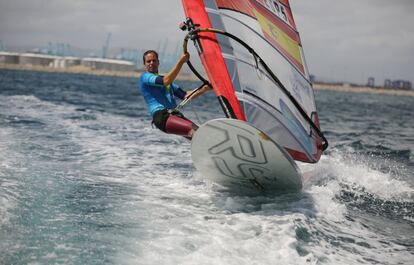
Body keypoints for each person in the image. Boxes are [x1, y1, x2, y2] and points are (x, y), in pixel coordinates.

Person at [139, 50, 211, 140]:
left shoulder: (167, 82)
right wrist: (181, 62)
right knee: (196, 132)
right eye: (148, 61)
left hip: (174, 115)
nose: (151, 63)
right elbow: (165, 81)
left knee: (201, 135)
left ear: (158, 62)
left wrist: (205, 89)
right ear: (144, 64)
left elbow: (185, 95)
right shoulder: (145, 77)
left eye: (154, 60)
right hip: (162, 117)